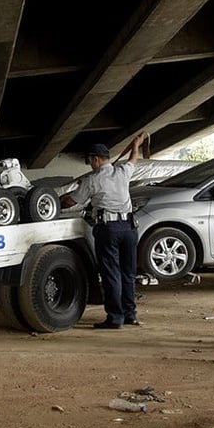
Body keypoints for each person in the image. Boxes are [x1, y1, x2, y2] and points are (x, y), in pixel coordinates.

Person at [61, 132, 148, 329]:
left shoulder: (92, 180)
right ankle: (130, 315)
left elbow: (72, 200)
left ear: (96, 159)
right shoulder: (123, 171)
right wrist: (136, 144)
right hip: (129, 228)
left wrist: (54, 202)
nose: (90, 164)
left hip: (109, 229)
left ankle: (115, 318)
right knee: (128, 273)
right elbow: (134, 158)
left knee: (111, 274)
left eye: (90, 161)